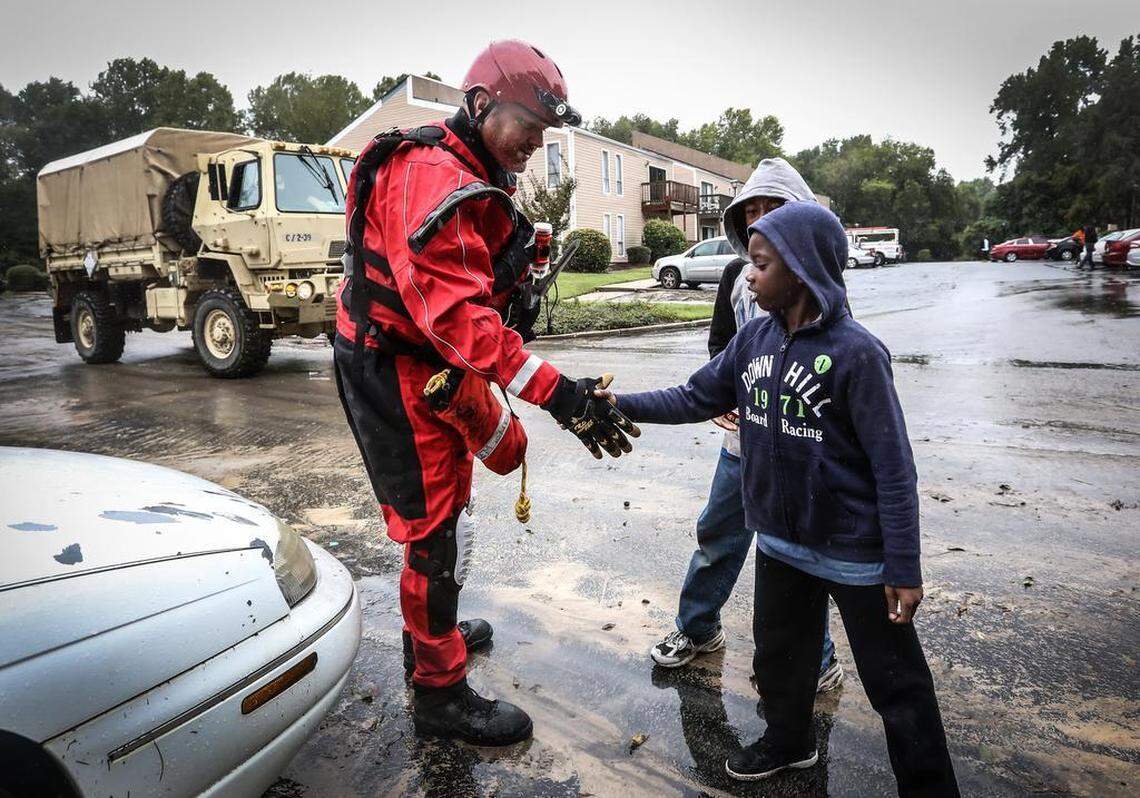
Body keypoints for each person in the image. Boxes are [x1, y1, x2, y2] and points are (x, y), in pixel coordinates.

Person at [333, 39, 638, 746]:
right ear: (478, 105)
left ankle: (429, 635)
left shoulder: (471, 169)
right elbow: (457, 321)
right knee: (432, 535)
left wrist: (515, 282)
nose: (537, 143)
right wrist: (562, 396)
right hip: (393, 365)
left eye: (545, 130)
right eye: (528, 124)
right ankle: (438, 696)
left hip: (427, 363)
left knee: (451, 508)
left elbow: (470, 296)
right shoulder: (429, 174)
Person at [601, 202, 958, 794]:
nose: (747, 275)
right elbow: (694, 396)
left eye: (760, 264)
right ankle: (790, 741)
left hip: (856, 552)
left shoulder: (857, 354)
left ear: (800, 269)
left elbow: (894, 468)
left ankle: (929, 786)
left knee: (898, 687)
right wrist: (622, 404)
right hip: (782, 545)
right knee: (780, 664)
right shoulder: (754, 340)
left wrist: (903, 562)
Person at [650, 158, 843, 696]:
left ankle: (816, 656)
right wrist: (720, 403)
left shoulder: (822, 286)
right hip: (742, 446)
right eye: (751, 213)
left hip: (802, 451)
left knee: (797, 561)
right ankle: (697, 629)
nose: (761, 221)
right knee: (717, 536)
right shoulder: (739, 278)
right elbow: (721, 351)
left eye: (773, 210)